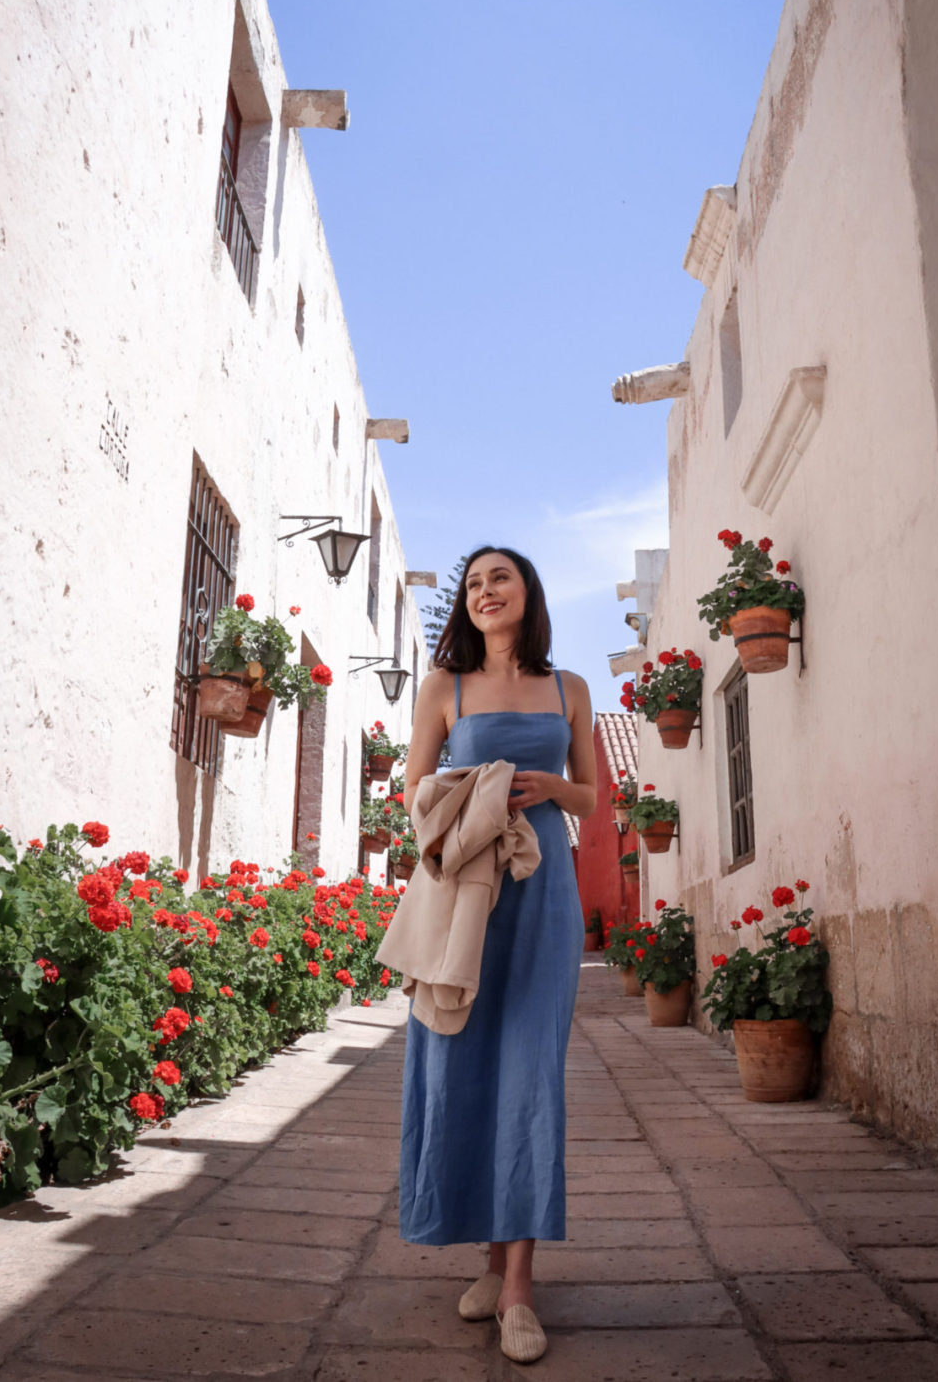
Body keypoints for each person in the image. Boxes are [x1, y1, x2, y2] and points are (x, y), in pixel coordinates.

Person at [399, 545, 596, 1363]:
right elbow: (413, 795)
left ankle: (518, 1288)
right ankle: (488, 1258)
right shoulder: (442, 689)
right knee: (465, 1065)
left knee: (530, 1073)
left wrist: (550, 789)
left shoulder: (570, 689)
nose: (485, 591)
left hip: (543, 891)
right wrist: (469, 788)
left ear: (527, 593)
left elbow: (594, 797)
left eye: (499, 578)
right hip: (467, 892)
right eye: (474, 583)